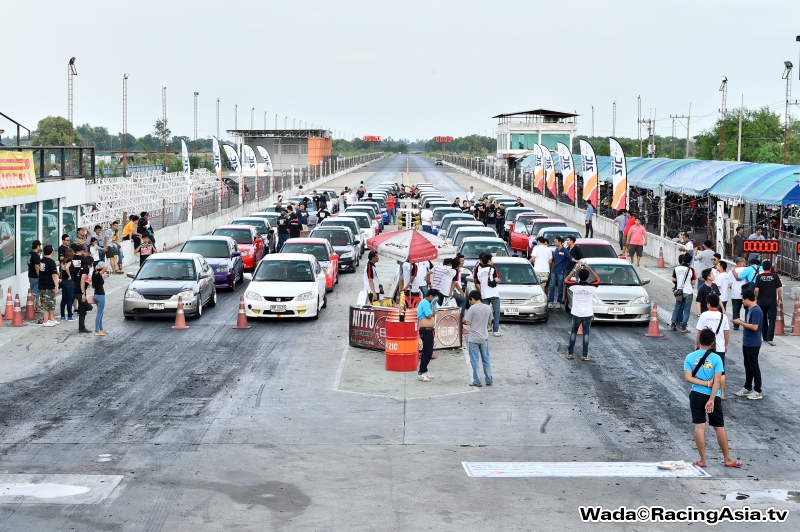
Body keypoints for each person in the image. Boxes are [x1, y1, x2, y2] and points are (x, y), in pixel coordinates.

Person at [683, 328, 741, 469]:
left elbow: (688, 378)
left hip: (696, 395)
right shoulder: (717, 358)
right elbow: (718, 381)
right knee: (719, 427)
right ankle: (727, 459)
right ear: (713, 343)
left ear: (699, 340)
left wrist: (703, 383)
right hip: (713, 396)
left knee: (699, 427)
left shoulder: (690, 357)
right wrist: (712, 399)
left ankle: (702, 460)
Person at [695, 293, 730, 398]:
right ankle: (722, 393)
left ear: (708, 304)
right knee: (721, 371)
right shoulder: (723, 316)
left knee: (706, 368)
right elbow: (726, 333)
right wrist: (726, 345)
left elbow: (699, 332)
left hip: (705, 347)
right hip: (719, 347)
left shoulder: (704, 315)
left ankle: (706, 389)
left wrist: (697, 345)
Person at [565, 261, 600, 361]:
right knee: (586, 334)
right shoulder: (591, 287)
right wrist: (589, 268)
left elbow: (566, 280)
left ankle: (570, 353)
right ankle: (584, 355)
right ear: (587, 277)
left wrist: (575, 269)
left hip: (577, 314)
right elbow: (598, 279)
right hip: (588, 314)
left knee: (573, 333)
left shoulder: (574, 286)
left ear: (579, 277)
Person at [732, 289, 763, 400]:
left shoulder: (756, 311)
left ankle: (758, 390)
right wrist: (742, 321)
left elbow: (754, 327)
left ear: (747, 299)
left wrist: (740, 323)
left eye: (743, 300)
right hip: (747, 342)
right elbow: (749, 324)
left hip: (753, 343)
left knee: (754, 366)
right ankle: (748, 387)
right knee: (748, 366)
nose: (742, 302)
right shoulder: (751, 310)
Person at [463, 290, 494, 387]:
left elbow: (467, 322)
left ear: (472, 298)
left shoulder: (472, 308)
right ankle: (489, 379)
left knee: (474, 360)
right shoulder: (488, 307)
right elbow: (490, 322)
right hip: (484, 337)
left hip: (474, 338)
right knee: (486, 359)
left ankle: (477, 381)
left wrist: (463, 321)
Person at [754, 260, 782, 346]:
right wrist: (779, 299)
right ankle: (770, 338)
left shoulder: (759, 277)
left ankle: (765, 337)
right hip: (772, 302)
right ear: (770, 267)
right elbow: (780, 289)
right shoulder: (775, 276)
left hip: (761, 302)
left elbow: (756, 290)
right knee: (772, 320)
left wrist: (756, 298)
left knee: (763, 320)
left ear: (763, 267)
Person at [474, 253, 501, 337]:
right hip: (494, 294)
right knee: (496, 312)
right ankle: (495, 331)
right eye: (492, 260)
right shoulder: (493, 269)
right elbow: (496, 279)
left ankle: (484, 329)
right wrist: (498, 281)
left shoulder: (479, 271)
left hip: (484, 295)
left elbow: (477, 283)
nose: (492, 261)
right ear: (489, 261)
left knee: (484, 313)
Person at [417, 288, 440, 382]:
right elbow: (429, 315)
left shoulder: (429, 303)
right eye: (434, 297)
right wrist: (433, 304)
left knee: (429, 351)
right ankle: (421, 372)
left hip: (429, 330)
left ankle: (425, 370)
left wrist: (433, 305)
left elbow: (434, 313)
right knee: (427, 352)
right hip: (425, 331)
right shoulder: (425, 303)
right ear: (431, 296)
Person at [671, 253, 696, 332]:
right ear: (690, 261)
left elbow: (673, 279)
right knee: (687, 310)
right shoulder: (691, 270)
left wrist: (680, 281)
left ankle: (673, 325)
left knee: (677, 308)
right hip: (688, 292)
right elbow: (693, 283)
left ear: (682, 260)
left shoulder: (676, 268)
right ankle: (683, 328)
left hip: (679, 292)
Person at [548, 236, 572, 309]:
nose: (555, 243)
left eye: (556, 242)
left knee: (560, 287)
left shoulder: (565, 251)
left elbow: (571, 258)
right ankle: (551, 301)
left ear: (560, 242)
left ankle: (558, 302)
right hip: (554, 271)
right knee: (552, 286)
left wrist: (577, 261)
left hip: (561, 272)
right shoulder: (556, 250)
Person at [38, 245, 59, 327]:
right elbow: (54, 275)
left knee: (47, 303)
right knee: (48, 304)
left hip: (42, 284)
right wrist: (57, 285)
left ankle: (52, 319)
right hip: (48, 285)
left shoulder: (42, 261)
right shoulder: (51, 262)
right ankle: (46, 320)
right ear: (52, 252)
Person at [76, 255, 93, 334]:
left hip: (79, 291)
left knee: (82, 310)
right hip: (79, 292)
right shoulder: (86, 268)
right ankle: (82, 326)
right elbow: (82, 280)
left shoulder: (82, 268)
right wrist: (83, 293)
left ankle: (82, 327)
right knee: (89, 307)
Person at [729, 258, 747, 329]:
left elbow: (729, 283)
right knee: (747, 310)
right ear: (741, 263)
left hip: (735, 294)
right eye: (745, 262)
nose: (745, 263)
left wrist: (732, 287)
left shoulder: (731, 271)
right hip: (745, 294)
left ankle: (736, 325)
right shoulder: (746, 270)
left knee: (736, 310)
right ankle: (746, 324)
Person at [92, 260, 109, 336]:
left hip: (96, 294)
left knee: (101, 313)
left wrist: (104, 278)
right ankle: (97, 330)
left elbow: (98, 283)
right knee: (99, 314)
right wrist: (99, 267)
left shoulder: (94, 274)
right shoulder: (98, 273)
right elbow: (105, 267)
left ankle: (101, 328)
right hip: (100, 295)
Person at [28, 240, 42, 312]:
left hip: (30, 274)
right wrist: (39, 275)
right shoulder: (36, 255)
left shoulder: (30, 254)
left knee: (36, 291)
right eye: (40, 246)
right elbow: (37, 266)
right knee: (34, 292)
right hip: (35, 276)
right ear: (38, 246)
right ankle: (31, 307)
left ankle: (36, 304)